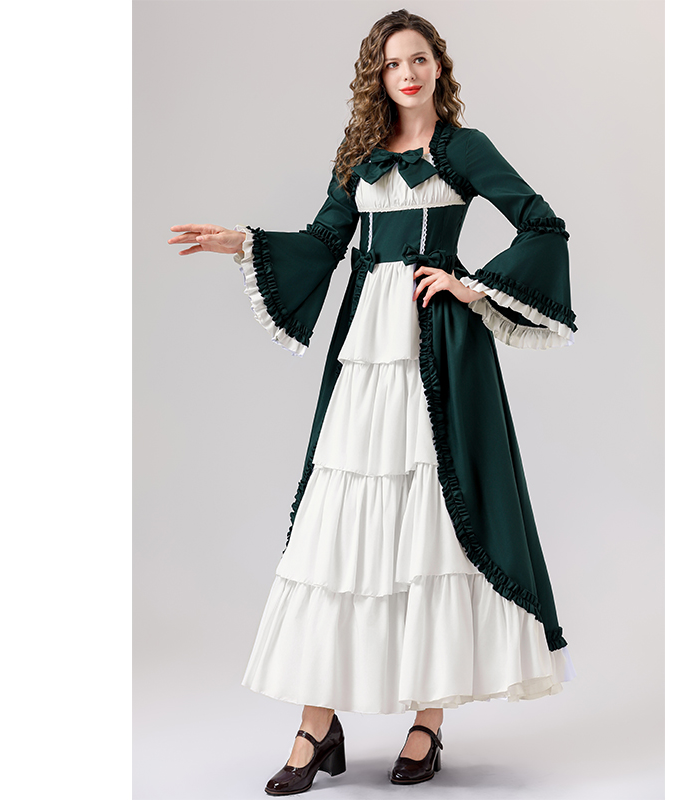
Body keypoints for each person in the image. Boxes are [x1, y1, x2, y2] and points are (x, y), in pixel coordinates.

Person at [168, 8, 577, 795]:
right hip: (365, 356)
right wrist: (243, 243)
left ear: (438, 67)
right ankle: (314, 725)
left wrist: (469, 285)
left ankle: (428, 721)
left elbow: (541, 225)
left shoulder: (464, 148)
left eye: (418, 59)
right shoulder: (358, 155)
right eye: (393, 64)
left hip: (437, 351)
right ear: (378, 76)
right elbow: (325, 243)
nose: (408, 74)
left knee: (435, 524)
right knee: (339, 524)